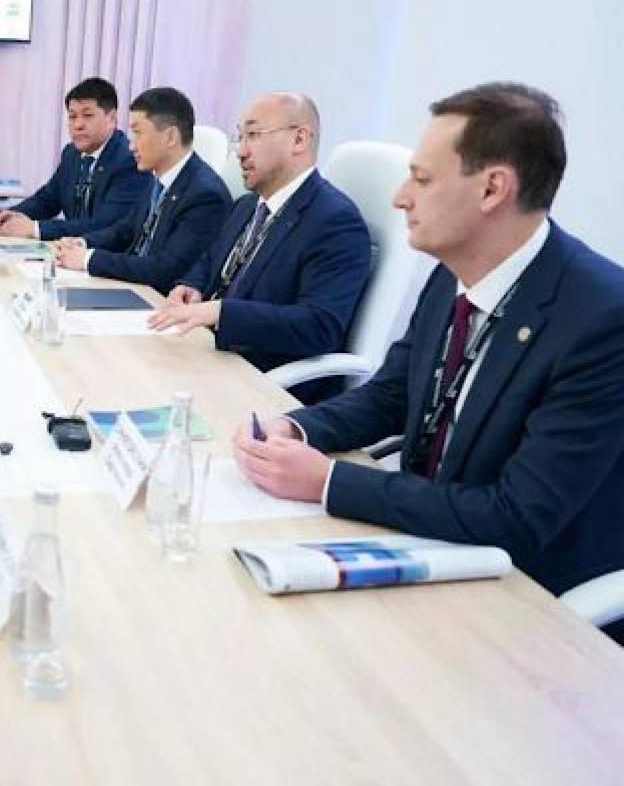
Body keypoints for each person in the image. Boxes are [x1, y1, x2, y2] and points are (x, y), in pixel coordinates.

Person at [232, 83, 624, 643]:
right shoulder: (452, 273)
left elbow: (517, 517)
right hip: (429, 541)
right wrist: (296, 427)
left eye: (421, 179)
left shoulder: (601, 318)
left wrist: (329, 481)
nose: (399, 198)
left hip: (526, 599)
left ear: (492, 189)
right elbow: (391, 394)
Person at [149, 92, 371, 404]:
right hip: (210, 357)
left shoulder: (335, 221)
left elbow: (319, 325)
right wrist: (192, 287)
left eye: (253, 135)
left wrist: (221, 312)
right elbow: (210, 260)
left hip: (262, 385)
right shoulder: (246, 206)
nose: (240, 151)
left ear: (299, 139)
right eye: (239, 137)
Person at [53, 86, 232, 295]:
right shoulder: (158, 179)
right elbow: (125, 230)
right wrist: (82, 243)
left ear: (170, 137)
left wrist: (88, 259)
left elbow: (165, 270)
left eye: (138, 133)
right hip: (132, 287)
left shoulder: (205, 196)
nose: (131, 146)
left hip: (158, 299)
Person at [0, 77, 149, 241]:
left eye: (87, 115)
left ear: (111, 119)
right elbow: (48, 199)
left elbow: (103, 224)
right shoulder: (71, 153)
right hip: (69, 250)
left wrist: (36, 229)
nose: (78, 125)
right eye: (72, 117)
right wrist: (11, 214)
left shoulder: (129, 161)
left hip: (100, 253)